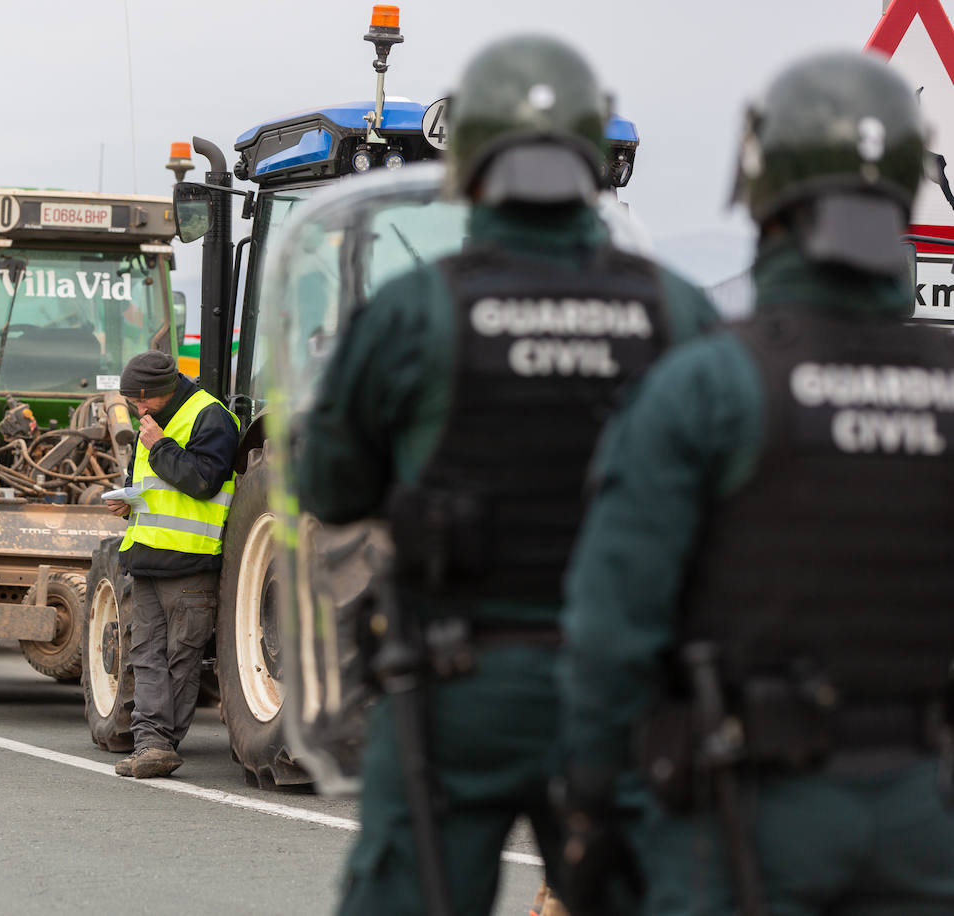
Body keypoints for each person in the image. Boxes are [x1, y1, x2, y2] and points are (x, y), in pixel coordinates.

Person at [295, 35, 718, 915]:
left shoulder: (415, 310)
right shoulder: (677, 310)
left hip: (455, 688)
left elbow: (330, 488)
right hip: (626, 692)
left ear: (468, 160)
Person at [557, 51, 954, 913]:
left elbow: (610, 635)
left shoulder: (705, 384)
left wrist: (593, 813)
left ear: (762, 183)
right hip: (929, 816)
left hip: (740, 820)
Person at [105, 350, 238, 779]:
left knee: (180, 658)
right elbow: (151, 486)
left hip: (190, 562)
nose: (134, 409)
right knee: (146, 655)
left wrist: (159, 446)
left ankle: (161, 743)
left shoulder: (209, 417)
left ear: (154, 393)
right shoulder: (150, 424)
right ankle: (150, 744)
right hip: (146, 558)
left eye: (138, 401)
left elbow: (203, 481)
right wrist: (128, 504)